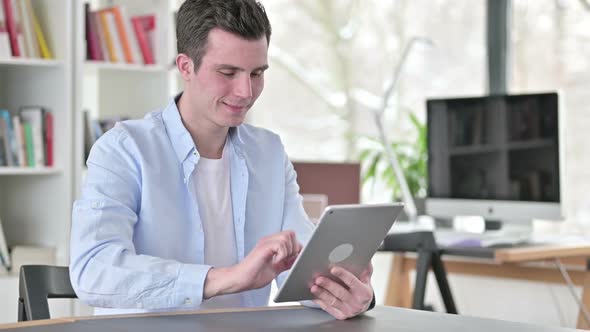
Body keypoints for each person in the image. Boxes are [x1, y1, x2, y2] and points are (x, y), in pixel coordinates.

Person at [70, 0, 374, 320]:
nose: (245, 91)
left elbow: (300, 273)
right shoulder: (123, 149)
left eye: (256, 73)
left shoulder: (268, 152)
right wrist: (225, 278)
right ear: (186, 67)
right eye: (228, 72)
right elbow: (93, 269)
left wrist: (346, 291)